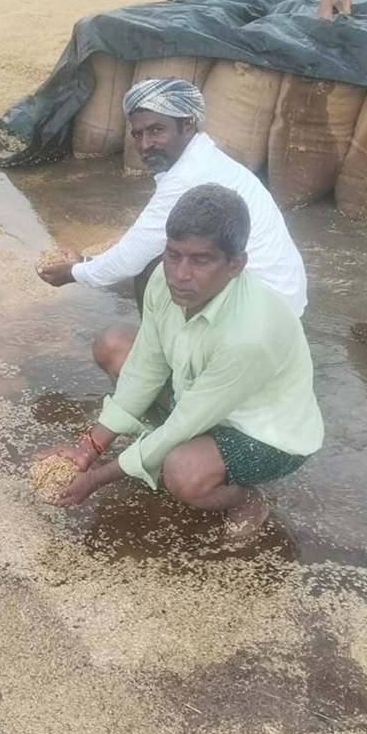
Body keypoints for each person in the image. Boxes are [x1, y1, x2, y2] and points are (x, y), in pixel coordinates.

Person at [37, 184, 324, 539]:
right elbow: (146, 366)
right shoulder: (164, 278)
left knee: (182, 472)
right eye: (173, 255)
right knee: (115, 345)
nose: (180, 274)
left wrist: (96, 477)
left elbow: (185, 422)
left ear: (235, 264)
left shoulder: (250, 336)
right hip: (202, 396)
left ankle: (245, 498)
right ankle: (160, 451)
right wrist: (88, 447)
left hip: (264, 433)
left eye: (201, 260)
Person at [38, 78, 307, 318]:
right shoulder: (203, 159)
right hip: (279, 298)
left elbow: (132, 256)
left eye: (156, 130)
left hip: (264, 309)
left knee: (155, 269)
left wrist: (72, 273)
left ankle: (170, 357)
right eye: (137, 134)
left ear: (188, 125)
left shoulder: (189, 176)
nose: (144, 144)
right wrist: (85, 263)